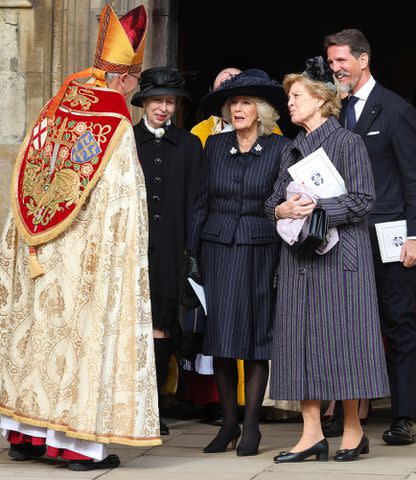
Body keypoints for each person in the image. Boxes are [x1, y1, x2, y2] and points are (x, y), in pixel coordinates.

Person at [0, 4, 161, 471]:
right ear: (125, 77)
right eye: (135, 77)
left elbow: (29, 172)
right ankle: (76, 447)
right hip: (85, 256)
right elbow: (121, 199)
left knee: (38, 343)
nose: (135, 87)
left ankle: (26, 437)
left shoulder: (60, 101)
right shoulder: (112, 117)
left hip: (41, 250)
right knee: (81, 346)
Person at [265, 56, 390, 463]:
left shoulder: (348, 142)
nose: (290, 103)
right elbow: (271, 202)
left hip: (342, 260)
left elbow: (364, 199)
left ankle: (354, 431)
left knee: (345, 343)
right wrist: (284, 211)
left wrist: (317, 208)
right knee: (300, 343)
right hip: (300, 259)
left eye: (296, 96)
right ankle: (312, 434)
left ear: (320, 100)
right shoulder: (292, 147)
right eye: (289, 97)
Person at [187, 69, 289, 456]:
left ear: (261, 109)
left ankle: (251, 427)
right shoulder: (214, 146)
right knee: (222, 339)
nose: (237, 108)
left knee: (256, 339)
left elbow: (285, 205)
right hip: (218, 248)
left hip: (262, 249)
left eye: (245, 102)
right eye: (233, 103)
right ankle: (228, 422)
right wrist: (191, 253)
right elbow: (201, 202)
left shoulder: (281, 148)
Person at [325, 28, 416, 445]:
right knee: (349, 326)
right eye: (331, 63)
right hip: (345, 235)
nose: (335, 68)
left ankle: (404, 417)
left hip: (391, 235)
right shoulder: (334, 112)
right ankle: (346, 417)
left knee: (399, 325)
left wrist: (414, 236)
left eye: (341, 60)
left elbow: (412, 178)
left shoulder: (395, 109)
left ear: (363, 60)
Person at [131, 67, 203, 436]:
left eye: (170, 101)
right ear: (143, 102)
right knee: (129, 329)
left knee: (162, 329)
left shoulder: (189, 145)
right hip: (130, 250)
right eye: (157, 99)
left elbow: (196, 203)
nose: (163, 107)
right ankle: (126, 408)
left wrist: (192, 252)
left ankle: (153, 409)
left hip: (172, 251)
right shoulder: (126, 141)